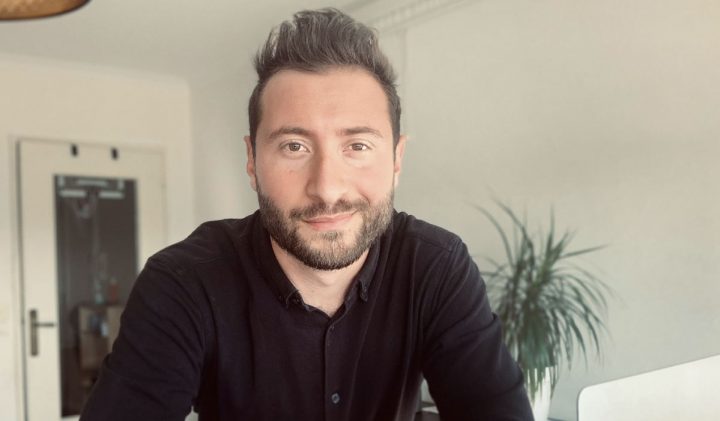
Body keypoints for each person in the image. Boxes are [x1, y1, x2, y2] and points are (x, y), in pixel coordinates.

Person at [81, 8, 533, 421]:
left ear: (397, 160)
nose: (327, 188)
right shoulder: (184, 281)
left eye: (357, 146)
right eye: (294, 146)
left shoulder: (435, 267)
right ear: (252, 161)